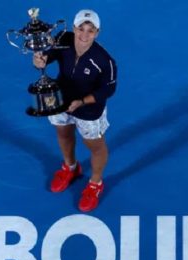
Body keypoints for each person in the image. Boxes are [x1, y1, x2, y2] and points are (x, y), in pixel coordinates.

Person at [33, 9, 117, 212]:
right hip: (60, 99)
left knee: (95, 146)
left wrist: (82, 101)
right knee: (63, 133)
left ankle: (95, 183)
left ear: (97, 32)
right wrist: (39, 61)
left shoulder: (105, 61)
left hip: (88, 109)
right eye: (81, 28)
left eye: (91, 30)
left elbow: (109, 89)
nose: (84, 34)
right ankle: (71, 168)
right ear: (74, 28)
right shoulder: (63, 38)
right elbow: (48, 56)